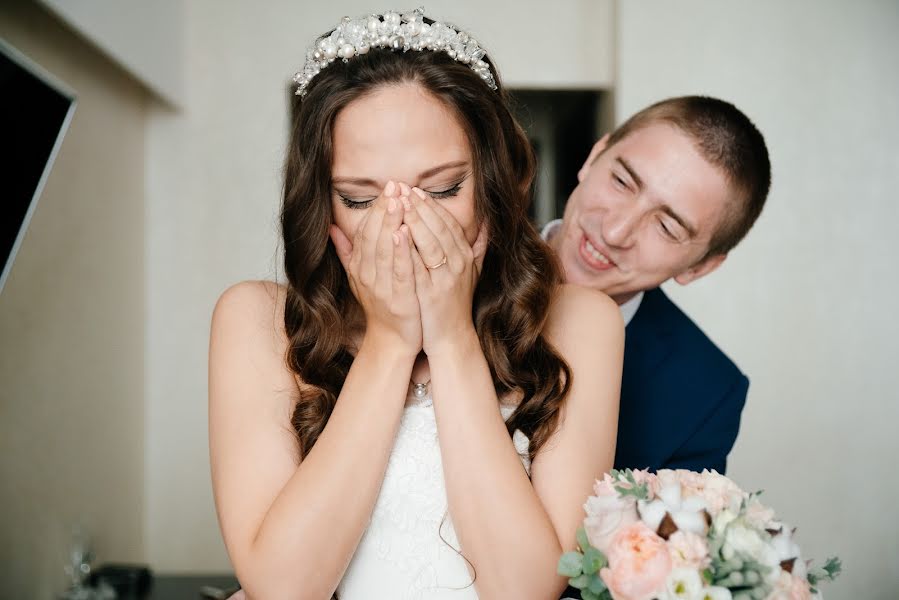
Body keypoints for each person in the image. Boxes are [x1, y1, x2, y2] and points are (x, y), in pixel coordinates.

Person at [208, 9, 623, 599]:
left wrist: (451, 337)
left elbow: (526, 590)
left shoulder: (582, 321)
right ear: (322, 207)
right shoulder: (256, 319)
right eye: (359, 198)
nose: (402, 225)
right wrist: (391, 341)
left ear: (493, 181)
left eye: (443, 189)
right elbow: (284, 590)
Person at [544, 96, 771, 474]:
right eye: (621, 181)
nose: (615, 232)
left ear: (699, 267)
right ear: (594, 156)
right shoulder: (457, 265)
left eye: (666, 227)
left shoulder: (706, 394)